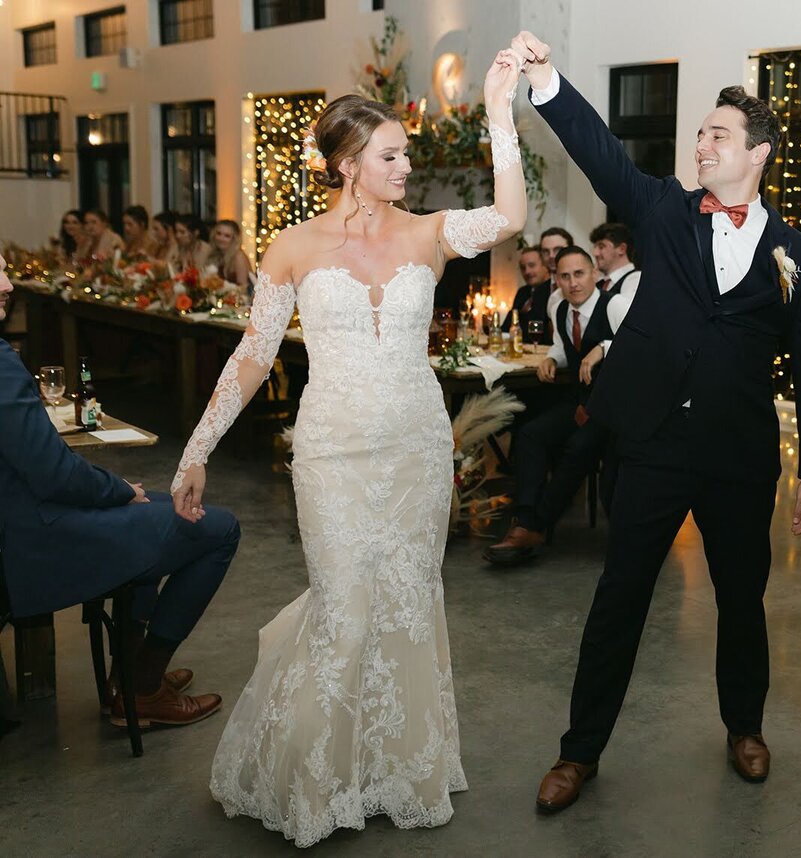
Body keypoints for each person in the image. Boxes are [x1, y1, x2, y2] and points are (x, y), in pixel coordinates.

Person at [171, 50, 525, 847]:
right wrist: (196, 450)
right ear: (348, 166)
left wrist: (502, 115)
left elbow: (510, 219)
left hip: (415, 451)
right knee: (344, 605)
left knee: (405, 601)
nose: (407, 166)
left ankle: (391, 769)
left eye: (406, 153)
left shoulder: (431, 233)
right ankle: (318, 779)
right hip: (332, 451)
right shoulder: (292, 247)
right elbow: (253, 355)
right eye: (392, 156)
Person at [511, 31, 801, 811]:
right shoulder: (663, 211)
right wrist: (550, 81)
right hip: (653, 444)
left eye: (717, 135)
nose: (701, 144)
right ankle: (579, 752)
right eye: (700, 134)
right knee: (620, 596)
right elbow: (603, 156)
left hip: (738, 455)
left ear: (757, 153)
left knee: (740, 599)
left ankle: (745, 726)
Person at [0, 254, 239, 729]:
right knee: (218, 528)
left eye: (6, 270)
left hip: (20, 516)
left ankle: (124, 680)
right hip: (32, 538)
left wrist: (119, 492)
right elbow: (53, 475)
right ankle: (144, 686)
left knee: (154, 505)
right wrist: (116, 491)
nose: (8, 284)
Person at [485, 247, 629, 566]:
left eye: (579, 274)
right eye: (564, 276)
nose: (573, 282)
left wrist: (603, 348)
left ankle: (535, 526)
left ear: (594, 275)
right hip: (580, 401)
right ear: (557, 280)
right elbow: (564, 345)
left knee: (578, 448)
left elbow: (643, 342)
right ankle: (524, 520)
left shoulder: (615, 305)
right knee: (531, 434)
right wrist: (552, 358)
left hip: (614, 409)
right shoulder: (561, 309)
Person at [502, 246, 553, 344]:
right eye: (523, 267)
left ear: (545, 266)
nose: (527, 271)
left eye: (532, 265)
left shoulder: (552, 291)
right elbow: (507, 326)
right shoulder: (522, 292)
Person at [589, 222, 640, 296]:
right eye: (595, 247)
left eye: (601, 247)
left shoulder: (636, 279)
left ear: (621, 249)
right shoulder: (599, 283)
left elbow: (626, 307)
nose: (595, 253)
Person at [210, 219, 252, 288]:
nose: (221, 238)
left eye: (227, 236)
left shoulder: (239, 257)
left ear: (234, 239)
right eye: (218, 234)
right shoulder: (216, 254)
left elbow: (243, 288)